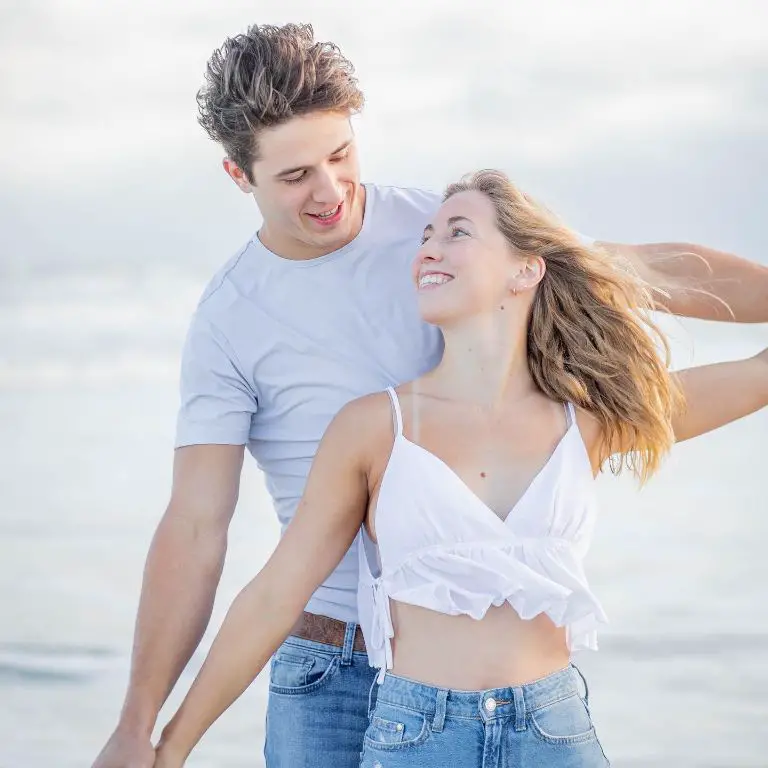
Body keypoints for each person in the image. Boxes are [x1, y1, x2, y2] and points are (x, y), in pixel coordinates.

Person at [91, 23, 768, 768]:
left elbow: (633, 274)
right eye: (294, 177)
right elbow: (195, 529)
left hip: (499, 671)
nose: (330, 191)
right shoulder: (230, 320)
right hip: (327, 658)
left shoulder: (442, 230)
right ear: (238, 176)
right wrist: (141, 725)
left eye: (341, 155)